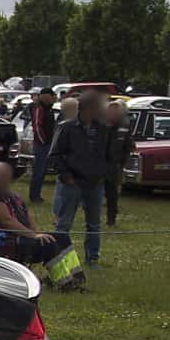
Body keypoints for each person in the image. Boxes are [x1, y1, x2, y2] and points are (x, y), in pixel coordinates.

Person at [0, 161, 82, 288]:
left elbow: (27, 217)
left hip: (22, 238)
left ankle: (77, 278)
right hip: (2, 243)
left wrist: (37, 234)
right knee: (47, 244)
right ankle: (65, 284)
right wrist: (33, 237)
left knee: (61, 237)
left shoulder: (12, 195)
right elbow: (7, 221)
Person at [49, 90, 111, 266]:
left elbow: (107, 154)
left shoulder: (102, 129)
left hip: (94, 184)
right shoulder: (67, 127)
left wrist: (103, 174)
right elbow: (55, 154)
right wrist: (66, 175)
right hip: (71, 183)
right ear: (84, 109)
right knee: (64, 224)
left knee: (93, 224)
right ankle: (61, 259)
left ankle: (92, 258)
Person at [24, 85, 59, 201]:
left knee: (43, 171)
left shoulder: (49, 109)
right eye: (52, 95)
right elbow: (37, 126)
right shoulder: (39, 108)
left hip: (48, 143)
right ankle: (34, 195)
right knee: (38, 171)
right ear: (46, 96)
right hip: (41, 145)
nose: (54, 98)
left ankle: (37, 194)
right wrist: (43, 141)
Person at [103, 100, 133, 227]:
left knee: (112, 194)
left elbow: (128, 146)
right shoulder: (101, 125)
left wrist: (122, 163)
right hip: (98, 164)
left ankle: (111, 218)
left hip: (114, 165)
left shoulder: (124, 127)